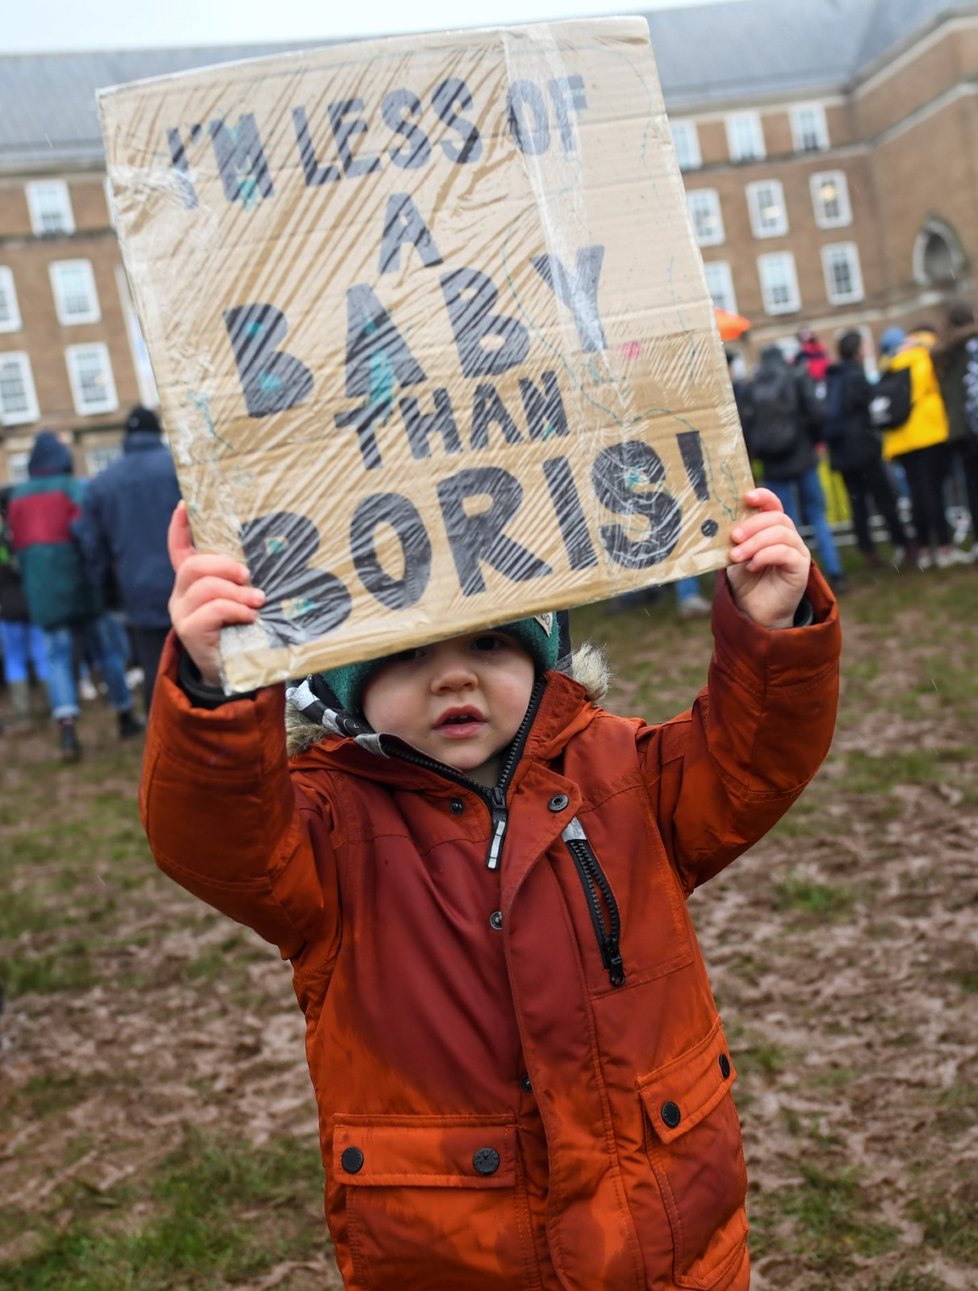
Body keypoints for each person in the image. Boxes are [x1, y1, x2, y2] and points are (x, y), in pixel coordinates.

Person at [139, 488, 841, 1290]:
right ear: (346, 684)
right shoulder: (325, 826)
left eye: (488, 644)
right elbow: (218, 839)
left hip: (670, 1237)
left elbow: (753, 760)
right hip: (457, 1252)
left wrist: (769, 631)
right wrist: (216, 688)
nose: (453, 679)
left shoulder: (623, 771)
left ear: (540, 656)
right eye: (407, 654)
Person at [7, 431, 143, 761]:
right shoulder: (74, 488)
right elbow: (91, 539)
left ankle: (67, 727)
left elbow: (13, 549)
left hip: (44, 597)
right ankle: (124, 715)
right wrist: (103, 581)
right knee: (106, 652)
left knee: (56, 659)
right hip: (84, 591)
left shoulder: (17, 499)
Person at [73, 405, 182, 712]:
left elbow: (90, 542)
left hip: (139, 589)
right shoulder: (178, 466)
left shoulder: (103, 481)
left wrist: (103, 587)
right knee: (207, 666)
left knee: (155, 668)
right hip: (190, 581)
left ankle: (165, 744)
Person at [742, 344, 847, 591]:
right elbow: (817, 412)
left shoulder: (751, 387)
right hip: (802, 457)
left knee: (787, 522)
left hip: (772, 464)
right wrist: (812, 438)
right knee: (818, 514)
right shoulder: (796, 376)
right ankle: (835, 572)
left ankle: (799, 580)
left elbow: (746, 428)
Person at [878, 324, 968, 570]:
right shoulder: (926, 355)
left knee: (917, 494)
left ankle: (925, 550)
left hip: (902, 439)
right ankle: (945, 548)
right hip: (929, 434)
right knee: (934, 492)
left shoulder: (890, 362)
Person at [822, 331, 912, 568]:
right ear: (857, 350)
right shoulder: (856, 376)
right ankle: (903, 545)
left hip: (842, 452)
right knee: (884, 498)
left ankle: (869, 552)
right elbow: (872, 407)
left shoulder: (834, 377)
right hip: (863, 449)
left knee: (857, 503)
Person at [932, 302, 978, 559]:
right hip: (972, 423)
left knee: (971, 486)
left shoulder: (942, 351)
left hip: (959, 427)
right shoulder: (972, 345)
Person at [0, 490, 49, 732]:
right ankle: (54, 707)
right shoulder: (21, 536)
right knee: (40, 654)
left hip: (6, 608)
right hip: (30, 602)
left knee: (14, 658)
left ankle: (23, 714)